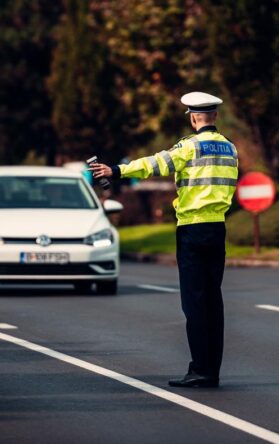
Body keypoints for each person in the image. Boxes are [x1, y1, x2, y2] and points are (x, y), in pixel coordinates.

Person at [90, 92, 238, 388]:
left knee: (194, 304)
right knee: (213, 302)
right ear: (215, 116)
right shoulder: (230, 148)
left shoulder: (189, 147)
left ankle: (200, 370)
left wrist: (116, 170)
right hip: (218, 229)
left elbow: (154, 164)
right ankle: (212, 371)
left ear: (194, 117)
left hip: (192, 229)